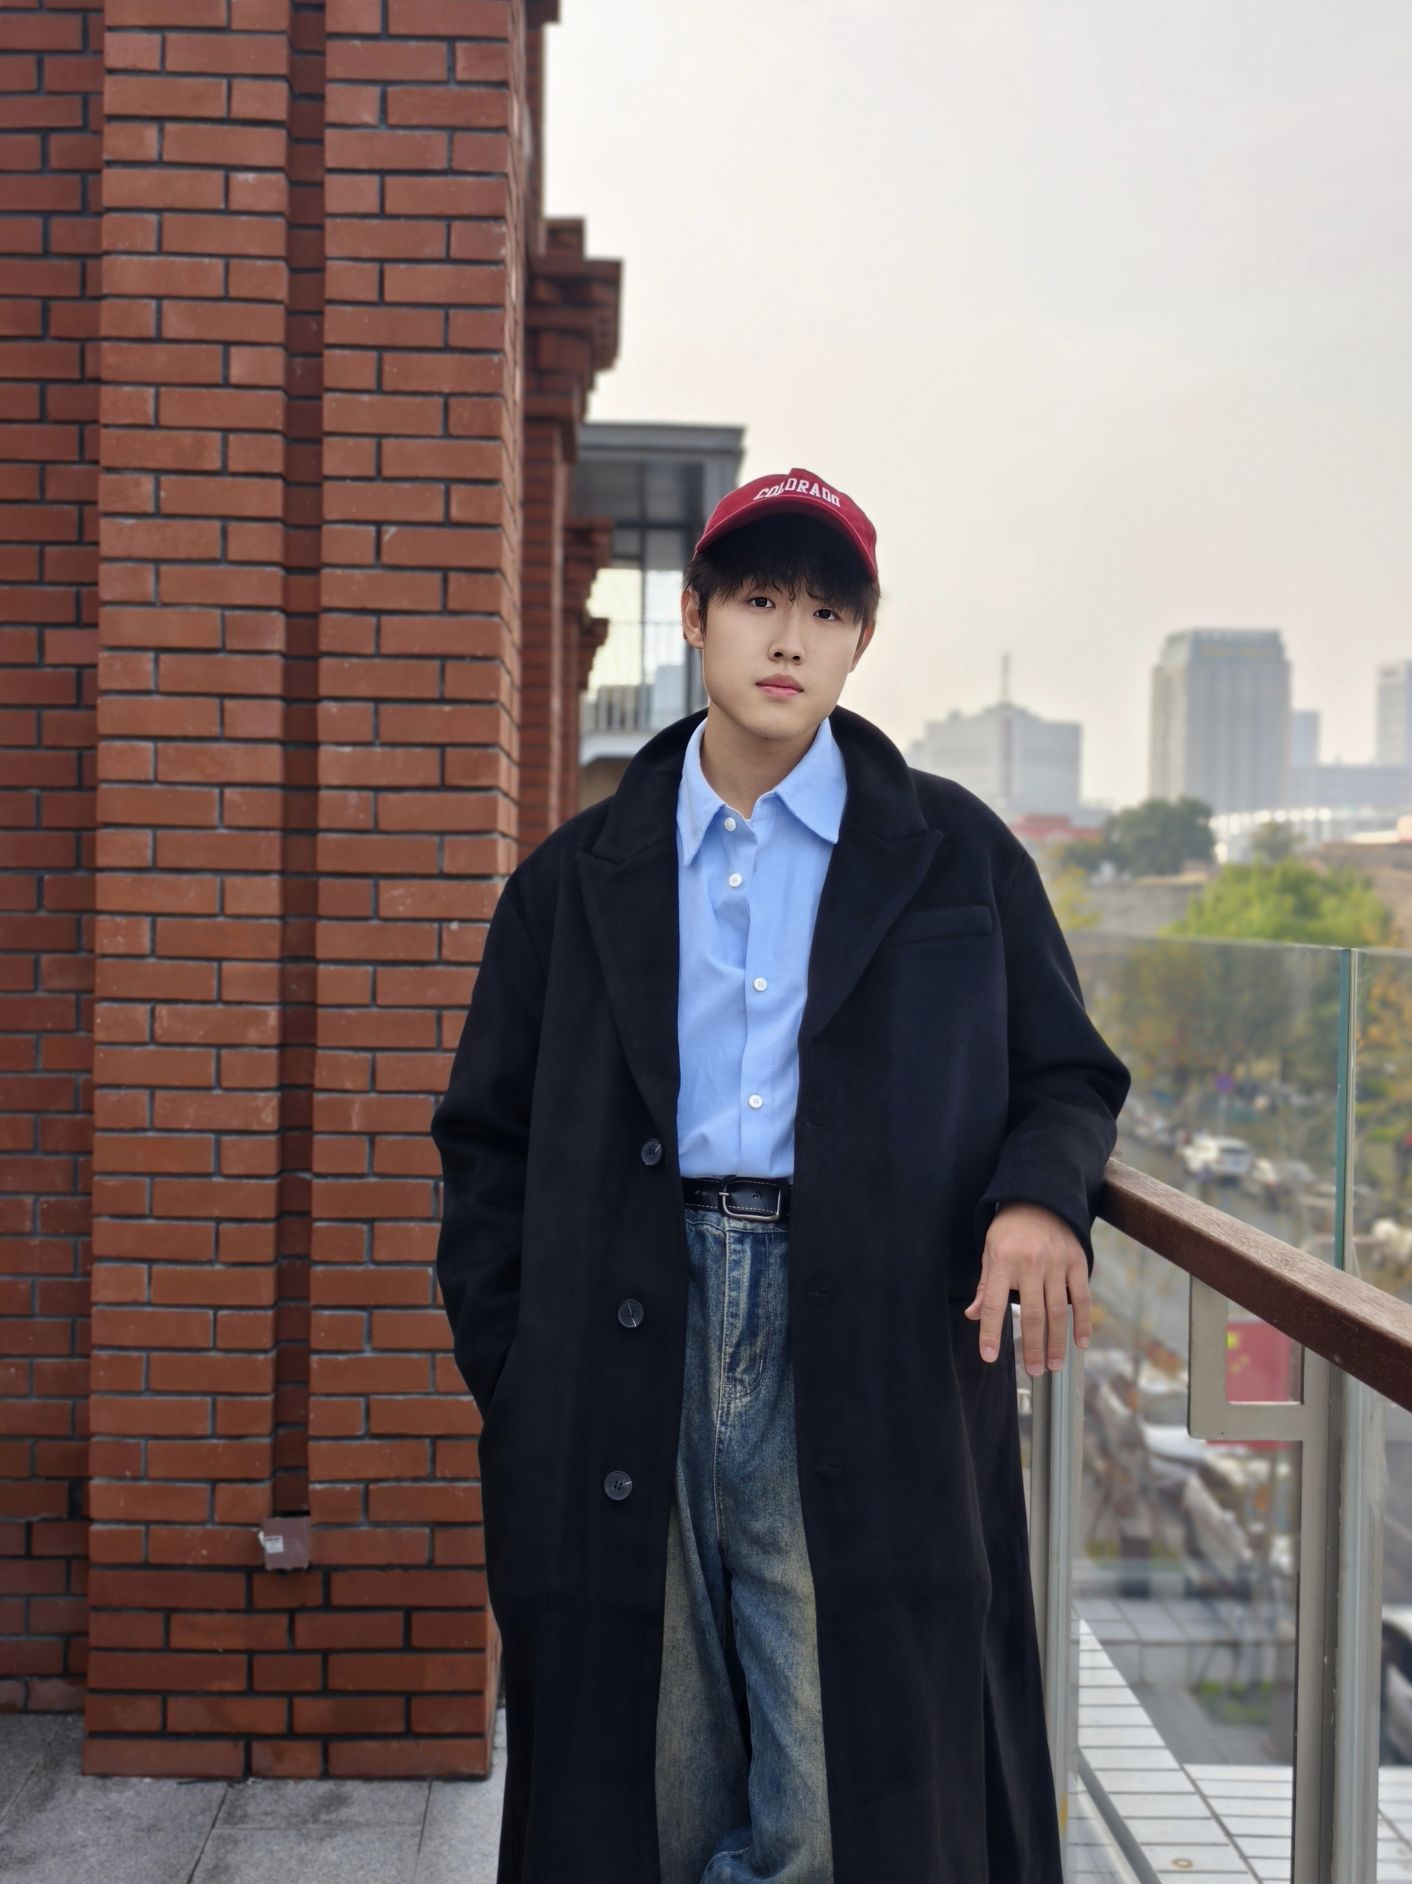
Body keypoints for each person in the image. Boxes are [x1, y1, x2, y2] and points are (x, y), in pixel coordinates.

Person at [431, 464, 1133, 1883]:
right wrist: (518, 1362)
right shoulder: (572, 880)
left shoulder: (955, 858)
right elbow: (484, 1140)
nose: (790, 638)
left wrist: (1035, 1197)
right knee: (656, 1768)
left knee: (838, 1783)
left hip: (860, 1331)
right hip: (628, 1328)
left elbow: (1067, 1073)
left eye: (825, 610)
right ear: (696, 618)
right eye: (760, 599)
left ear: (861, 639)